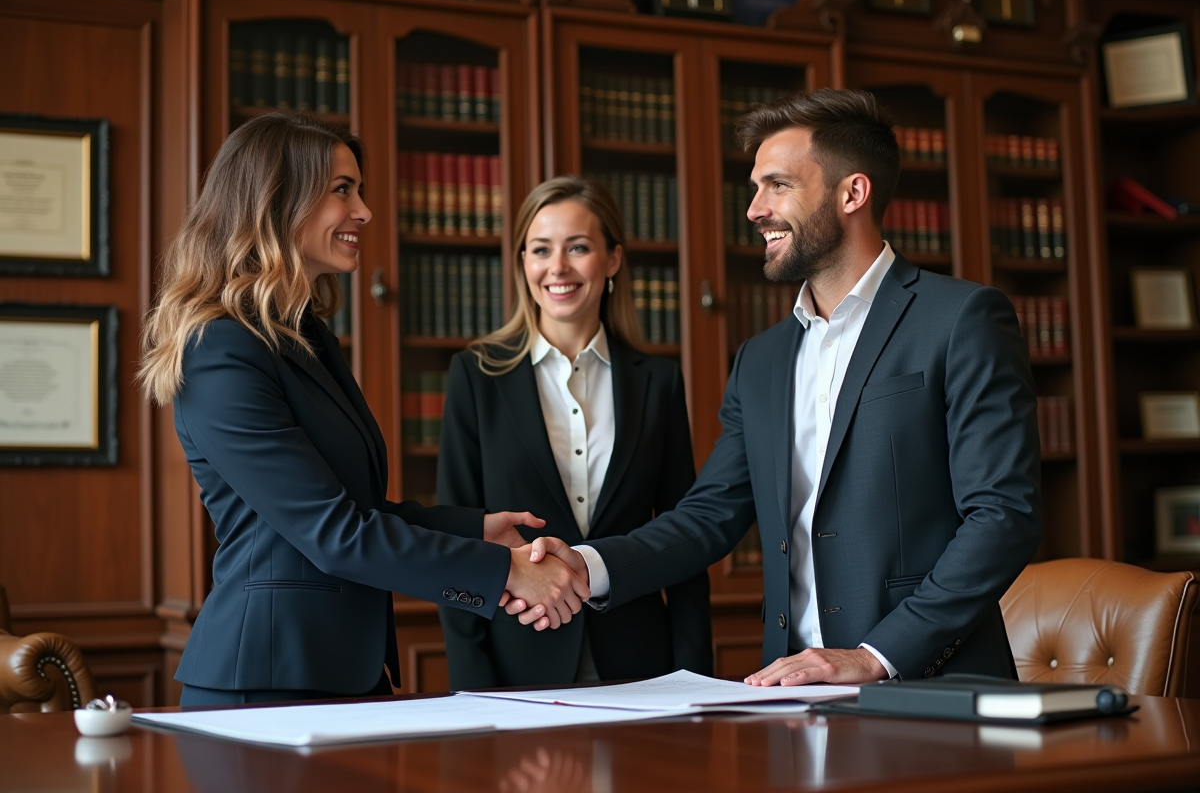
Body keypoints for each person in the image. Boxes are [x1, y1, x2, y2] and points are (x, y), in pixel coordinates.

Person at [512, 88, 1042, 686]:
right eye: (755, 189)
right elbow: (709, 515)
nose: (755, 210)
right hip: (788, 693)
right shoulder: (760, 360)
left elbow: (1002, 516)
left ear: (852, 193)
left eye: (778, 185)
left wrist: (875, 656)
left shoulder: (962, 318)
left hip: (933, 691)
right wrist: (587, 566)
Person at [137, 112, 588, 706]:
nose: (365, 212)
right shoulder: (220, 348)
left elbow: (354, 507)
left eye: (360, 190)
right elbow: (333, 533)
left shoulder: (306, 336)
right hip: (265, 683)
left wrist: (478, 530)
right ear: (279, 202)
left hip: (343, 674)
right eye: (341, 190)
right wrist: (504, 571)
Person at [436, 176, 712, 690]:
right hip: (516, 665)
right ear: (523, 263)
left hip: (643, 667)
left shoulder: (659, 382)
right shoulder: (476, 376)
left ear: (611, 260)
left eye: (578, 247)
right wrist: (472, 685)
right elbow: (459, 538)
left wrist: (696, 678)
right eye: (541, 249)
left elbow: (686, 537)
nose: (557, 267)